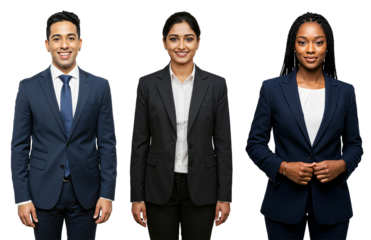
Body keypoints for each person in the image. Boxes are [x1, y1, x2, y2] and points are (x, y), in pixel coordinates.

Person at [245, 10, 363, 240]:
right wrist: (283, 167)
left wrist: (341, 165)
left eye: (318, 42)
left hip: (333, 207)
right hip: (282, 206)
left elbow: (355, 145)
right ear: (293, 46)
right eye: (302, 42)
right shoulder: (271, 88)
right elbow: (254, 144)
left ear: (327, 46)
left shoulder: (346, 91)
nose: (310, 49)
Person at [10, 9, 117, 239]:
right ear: (47, 45)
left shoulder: (100, 86)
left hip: (87, 193)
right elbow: (19, 146)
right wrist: (23, 197)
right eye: (57, 39)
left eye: (70, 38)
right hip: (42, 193)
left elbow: (107, 145)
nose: (64, 45)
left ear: (80, 43)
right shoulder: (28, 87)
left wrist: (107, 194)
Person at [129, 9, 233, 240]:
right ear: (164, 43)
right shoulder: (147, 83)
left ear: (198, 42)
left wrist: (225, 196)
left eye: (188, 38)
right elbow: (139, 143)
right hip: (158, 186)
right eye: (174, 38)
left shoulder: (216, 84)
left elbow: (223, 143)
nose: (181, 45)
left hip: (202, 187)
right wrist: (136, 196)